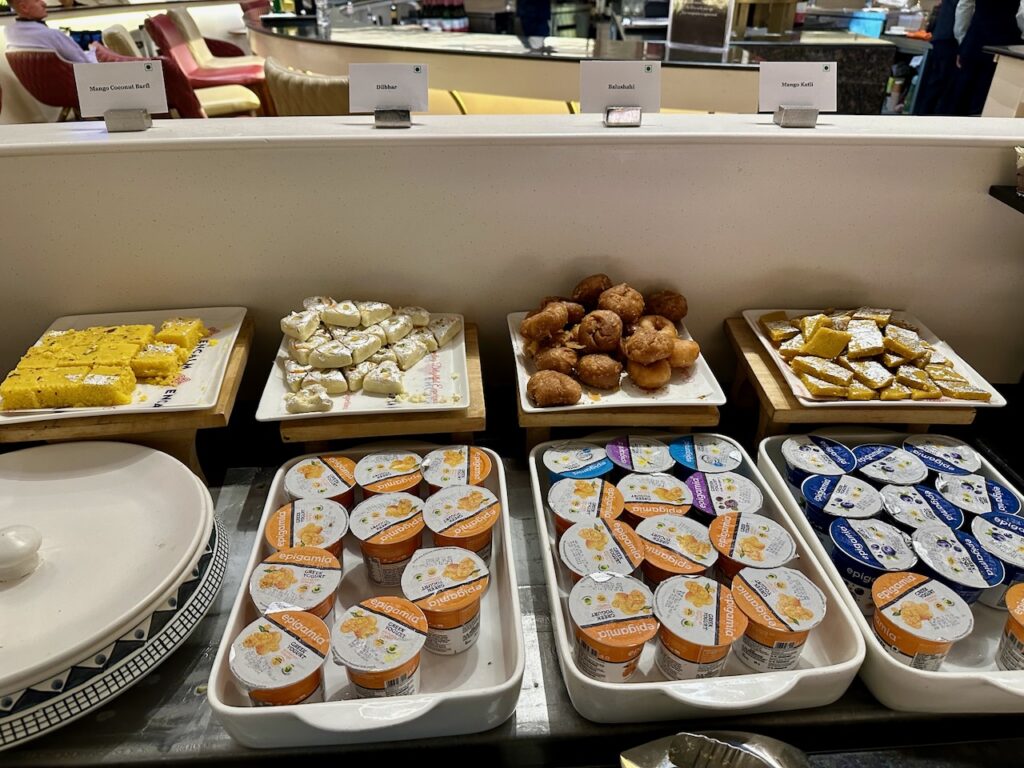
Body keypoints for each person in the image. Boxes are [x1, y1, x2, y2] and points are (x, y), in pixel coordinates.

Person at [944, 0, 1024, 115]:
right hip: (1006, 48)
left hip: (975, 41)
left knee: (959, 98)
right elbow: (1022, 14)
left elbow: (964, 6)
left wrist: (962, 40)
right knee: (990, 103)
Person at [4, 0, 97, 63]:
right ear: (24, 7)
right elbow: (85, 64)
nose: (44, 3)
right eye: (37, 0)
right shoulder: (52, 35)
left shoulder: (9, 32)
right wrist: (96, 51)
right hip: (86, 85)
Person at [916, 0, 959, 114]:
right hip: (950, 39)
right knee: (944, 87)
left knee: (935, 83)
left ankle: (923, 115)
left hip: (941, 36)